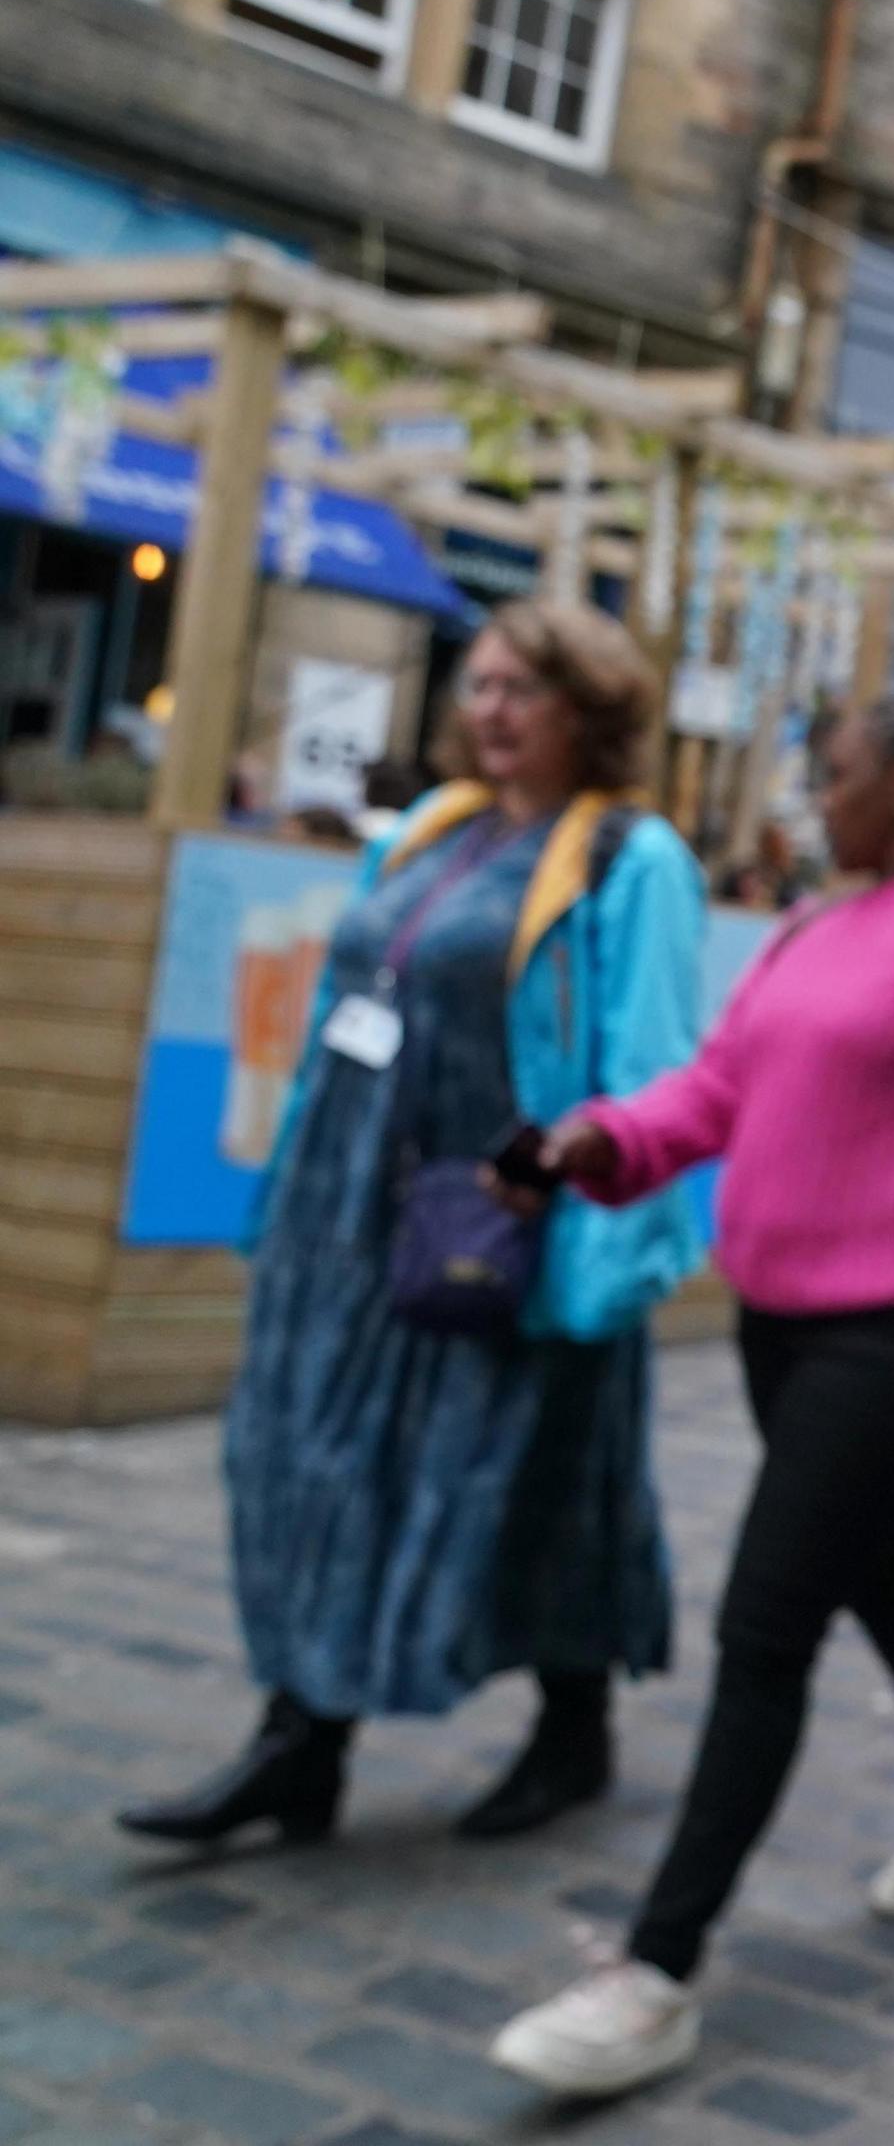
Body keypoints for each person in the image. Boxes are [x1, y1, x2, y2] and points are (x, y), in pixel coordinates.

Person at [487, 678, 894, 2097]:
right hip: (783, 1326)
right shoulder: (809, 928)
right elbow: (714, 1097)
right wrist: (597, 1139)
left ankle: (655, 1973)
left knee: (769, 1618)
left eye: (830, 772)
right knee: (884, 1575)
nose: (812, 797)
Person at [117, 603, 709, 1851]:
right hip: (351, 1209)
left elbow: (652, 1057)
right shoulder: (437, 828)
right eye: (480, 686)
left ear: (586, 712)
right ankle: (301, 1740)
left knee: (527, 1471)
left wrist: (595, 1229)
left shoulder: (629, 857)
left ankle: (572, 1727)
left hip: (497, 1219)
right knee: (321, 1453)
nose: (490, 710)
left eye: (523, 691)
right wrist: (290, 1196)